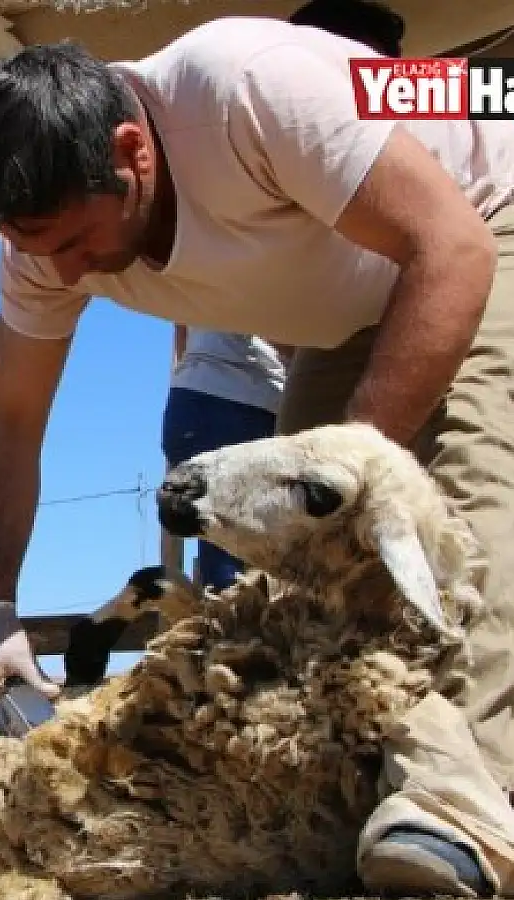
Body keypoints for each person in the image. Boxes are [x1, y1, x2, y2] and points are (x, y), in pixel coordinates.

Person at [0, 15, 514, 900]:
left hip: (491, 224)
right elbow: (10, 418)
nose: (64, 268)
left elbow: (452, 249)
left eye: (75, 242)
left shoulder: (251, 90)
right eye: (35, 247)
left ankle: (454, 801)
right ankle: (334, 798)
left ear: (132, 151)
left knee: (468, 462)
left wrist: (358, 464)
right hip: (345, 310)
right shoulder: (43, 249)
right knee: (293, 569)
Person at [156, 2, 401, 597]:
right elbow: (281, 315)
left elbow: (188, 324)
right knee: (254, 581)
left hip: (201, 395)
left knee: (234, 574)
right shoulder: (294, 152)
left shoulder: (230, 159)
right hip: (245, 400)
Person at [160, 327, 285, 592]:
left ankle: (221, 621)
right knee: (257, 553)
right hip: (247, 399)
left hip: (187, 400)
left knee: (217, 542)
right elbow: (285, 337)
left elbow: (182, 336)